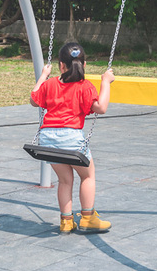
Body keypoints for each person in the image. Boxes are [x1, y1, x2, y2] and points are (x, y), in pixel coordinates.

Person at [30, 42, 115, 233]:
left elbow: (33, 100)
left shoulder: (50, 84)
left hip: (48, 140)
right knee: (88, 176)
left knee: (65, 180)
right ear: (84, 65)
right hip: (71, 138)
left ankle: (66, 221)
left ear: (61, 65)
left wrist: (43, 76)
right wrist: (105, 82)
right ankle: (88, 218)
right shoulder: (85, 87)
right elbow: (101, 108)